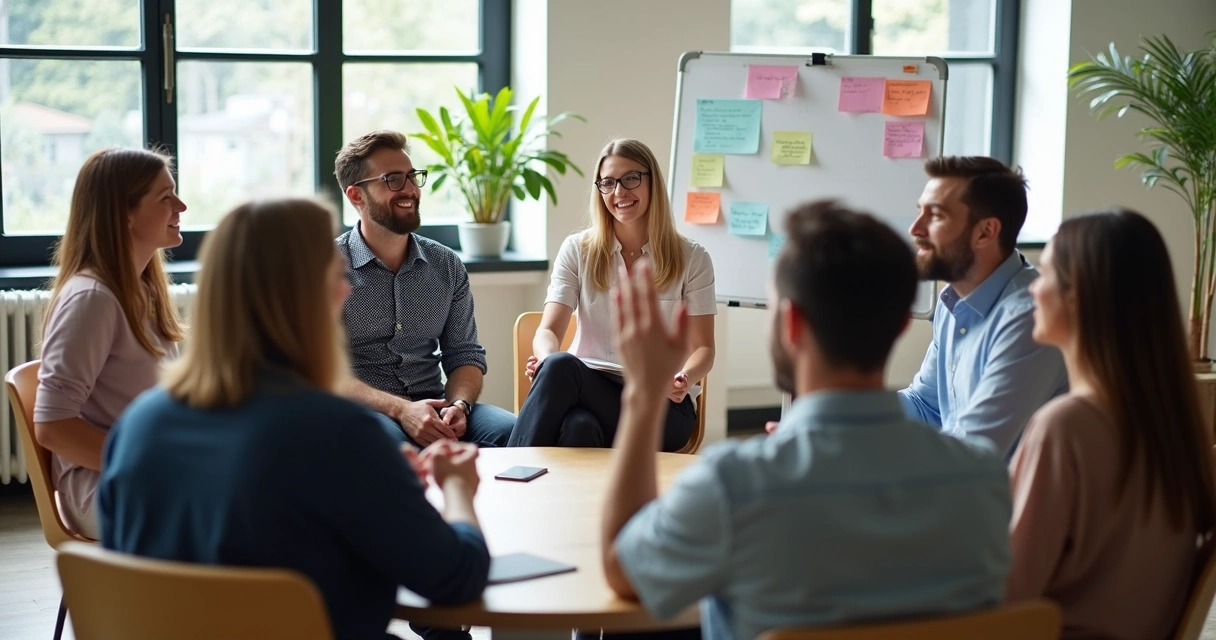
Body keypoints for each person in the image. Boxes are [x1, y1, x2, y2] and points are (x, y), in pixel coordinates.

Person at [601, 200, 1011, 640]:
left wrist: (644, 395)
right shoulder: (983, 477)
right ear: (899, 326)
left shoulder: (734, 485)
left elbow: (622, 569)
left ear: (791, 323)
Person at [98, 198, 490, 640]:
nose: (347, 289)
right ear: (306, 295)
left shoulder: (137, 425)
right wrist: (457, 486)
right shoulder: (338, 433)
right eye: (336, 276)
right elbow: (458, 579)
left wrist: (384, 487)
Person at [1006, 209, 1216, 639]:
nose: (1032, 291)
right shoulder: (1172, 422)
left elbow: (1006, 597)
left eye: (1042, 274)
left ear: (1076, 295)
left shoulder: (1065, 428)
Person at [507, 138, 716, 451]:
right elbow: (549, 330)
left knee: (564, 372)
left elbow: (704, 348)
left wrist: (684, 378)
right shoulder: (578, 250)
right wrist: (546, 362)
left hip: (663, 407)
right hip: (593, 394)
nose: (619, 192)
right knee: (578, 427)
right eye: (608, 183)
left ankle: (507, 481)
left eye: (631, 178)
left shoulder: (693, 257)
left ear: (652, 183)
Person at [33, 147, 187, 540]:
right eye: (165, 197)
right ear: (125, 214)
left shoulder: (141, 289)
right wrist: (150, 463)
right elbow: (52, 427)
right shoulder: (93, 299)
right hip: (105, 489)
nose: (180, 205)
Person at [333, 130, 514, 449]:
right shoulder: (328, 270)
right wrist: (402, 410)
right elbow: (321, 370)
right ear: (356, 196)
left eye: (413, 177)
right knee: (387, 450)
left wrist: (460, 406)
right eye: (393, 180)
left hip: (437, 406)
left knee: (514, 433)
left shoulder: (446, 264)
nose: (410, 189)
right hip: (367, 414)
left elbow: (464, 353)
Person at [899, 156, 1068, 456]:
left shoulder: (1029, 318)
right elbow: (925, 406)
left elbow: (973, 453)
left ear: (985, 232)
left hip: (1000, 499)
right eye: (919, 212)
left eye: (935, 216)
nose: (915, 228)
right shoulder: (952, 299)